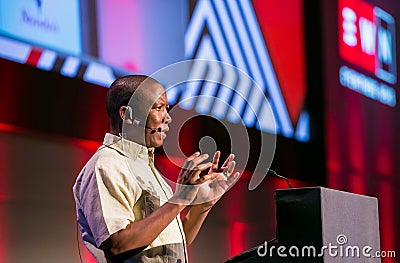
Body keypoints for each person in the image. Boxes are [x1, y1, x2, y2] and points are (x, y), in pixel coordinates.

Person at [72, 75, 240, 263]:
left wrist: (203, 205)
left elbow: (169, 246)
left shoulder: (146, 168)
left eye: (166, 109)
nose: (167, 118)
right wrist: (180, 200)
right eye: (158, 108)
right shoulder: (107, 164)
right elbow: (117, 245)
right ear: (127, 115)